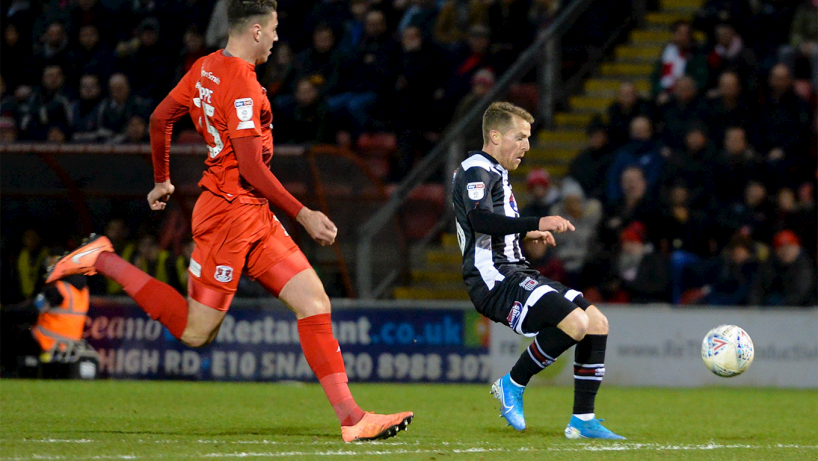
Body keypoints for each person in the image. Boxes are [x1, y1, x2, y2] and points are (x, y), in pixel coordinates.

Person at [46, 0, 412, 443]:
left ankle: (352, 418)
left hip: (252, 212)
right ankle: (102, 259)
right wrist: (304, 213)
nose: (278, 39)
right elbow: (252, 167)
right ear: (255, 30)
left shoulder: (205, 67)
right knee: (196, 333)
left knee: (315, 303)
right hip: (227, 216)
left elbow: (161, 117)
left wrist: (162, 181)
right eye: (274, 30)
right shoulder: (240, 83)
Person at [451, 101, 624, 439]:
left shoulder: (495, 172)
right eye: (520, 137)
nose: (526, 146)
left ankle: (583, 420)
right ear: (496, 135)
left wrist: (527, 232)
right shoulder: (476, 169)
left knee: (596, 323)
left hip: (517, 269)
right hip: (493, 278)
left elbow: (491, 222)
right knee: (574, 323)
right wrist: (536, 220)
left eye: (528, 138)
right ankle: (511, 383)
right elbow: (478, 219)